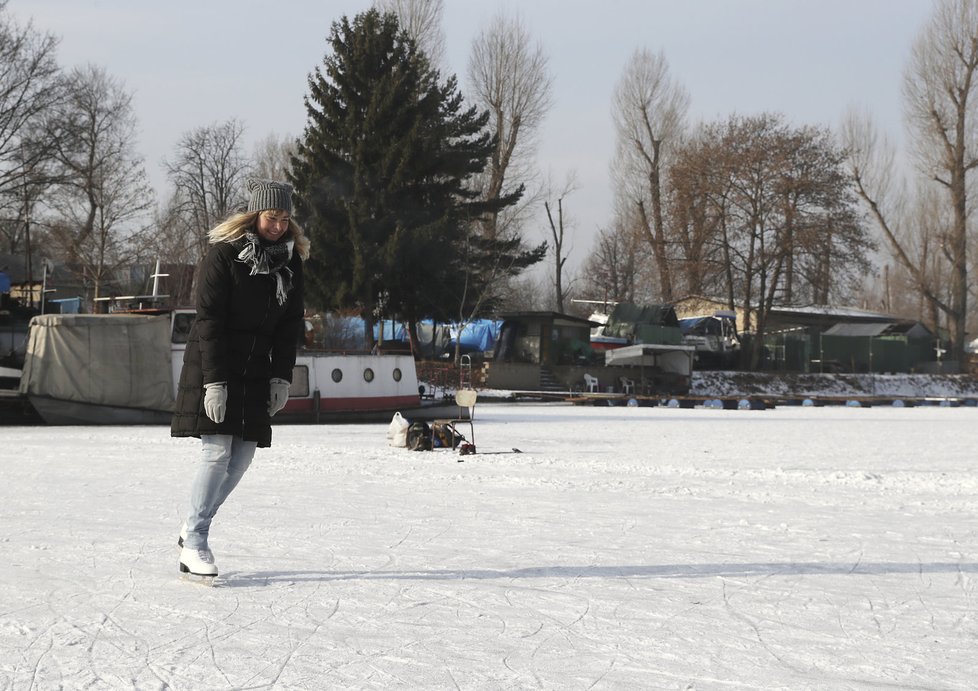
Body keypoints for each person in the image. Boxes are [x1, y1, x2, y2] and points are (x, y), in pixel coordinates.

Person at [171, 178, 310, 579]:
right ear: (254, 215)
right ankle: (195, 542)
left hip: (255, 369)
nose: (279, 226)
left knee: (243, 456)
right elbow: (209, 320)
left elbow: (289, 326)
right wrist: (215, 381)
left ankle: (192, 525)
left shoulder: (290, 262)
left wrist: (281, 377)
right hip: (214, 361)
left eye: (285, 219)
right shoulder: (224, 256)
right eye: (271, 217)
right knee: (216, 453)